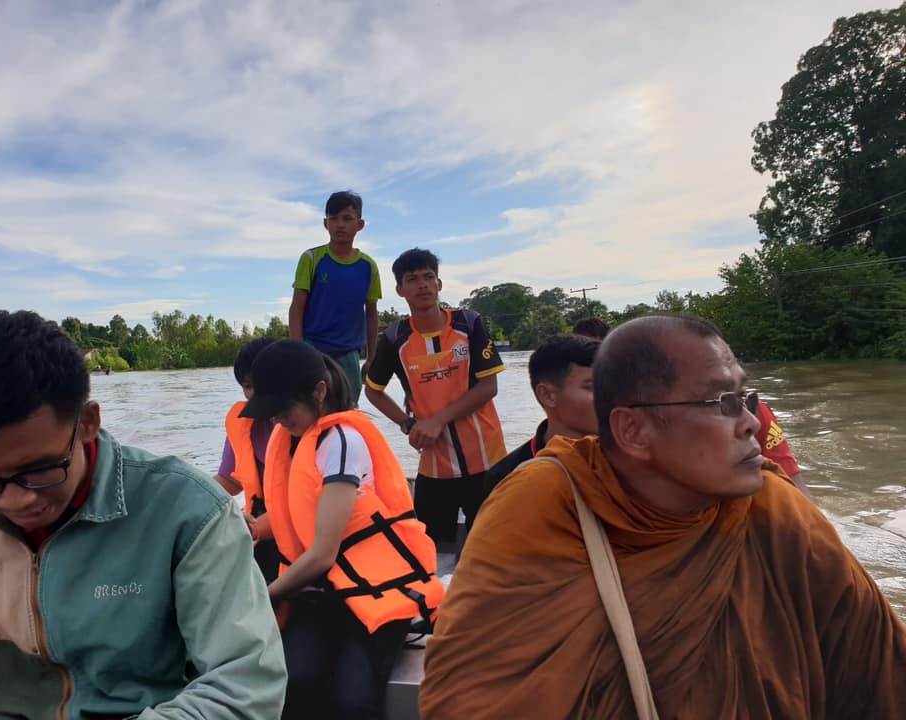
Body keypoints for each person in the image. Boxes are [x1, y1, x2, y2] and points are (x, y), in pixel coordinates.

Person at [420, 315, 906, 719]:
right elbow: (470, 697)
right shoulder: (541, 504)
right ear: (632, 430)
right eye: (721, 403)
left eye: (747, 398)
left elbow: (880, 669)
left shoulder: (772, 509)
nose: (754, 423)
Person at [0, 311, 286, 719]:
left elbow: (245, 688)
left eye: (38, 471)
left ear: (88, 423)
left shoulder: (189, 513)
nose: (15, 501)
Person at [240, 340, 445, 720]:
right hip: (321, 592)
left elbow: (322, 553)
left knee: (352, 698)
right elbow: (292, 516)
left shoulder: (343, 441)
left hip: (375, 593)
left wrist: (261, 597)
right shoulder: (294, 442)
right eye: (270, 412)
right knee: (293, 681)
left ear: (319, 392)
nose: (277, 421)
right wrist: (247, 527)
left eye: (282, 409)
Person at [365, 248, 507, 548]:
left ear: (439, 284)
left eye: (429, 277)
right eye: (413, 279)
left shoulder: (469, 324)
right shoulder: (394, 338)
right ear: (400, 290)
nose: (423, 285)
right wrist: (408, 424)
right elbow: (373, 391)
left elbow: (488, 386)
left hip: (487, 458)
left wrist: (438, 420)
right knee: (430, 551)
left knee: (496, 546)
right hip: (435, 464)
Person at [289, 190, 382, 405]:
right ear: (325, 223)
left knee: (348, 409)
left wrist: (372, 357)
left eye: (347, 219)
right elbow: (297, 308)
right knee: (310, 406)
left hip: (349, 352)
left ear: (360, 224)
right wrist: (297, 351)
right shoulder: (311, 259)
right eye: (334, 219)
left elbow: (371, 313)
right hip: (312, 348)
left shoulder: (368, 266)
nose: (340, 225)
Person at [483, 334, 599, 498]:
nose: (610, 396)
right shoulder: (508, 477)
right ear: (548, 395)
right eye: (593, 388)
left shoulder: (631, 459)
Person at [213, 336, 281, 580]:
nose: (255, 393)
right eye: (248, 385)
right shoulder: (244, 424)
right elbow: (228, 482)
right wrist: (190, 492)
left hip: (298, 527)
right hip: (260, 525)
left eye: (263, 383)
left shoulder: (301, 423)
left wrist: (251, 529)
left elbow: (306, 505)